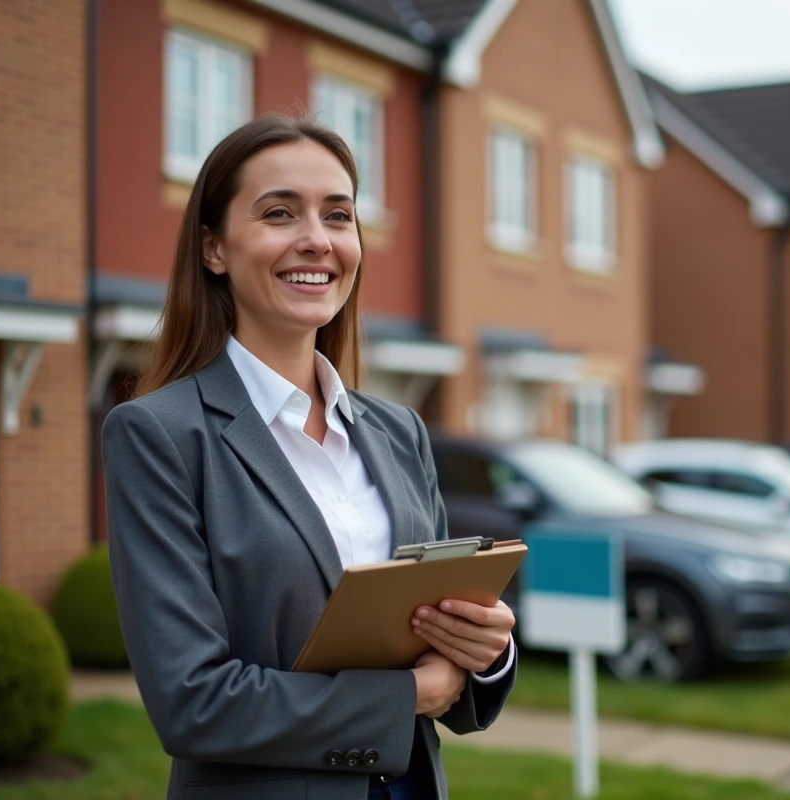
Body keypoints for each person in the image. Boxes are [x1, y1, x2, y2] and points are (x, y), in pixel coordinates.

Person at [101, 114, 517, 800]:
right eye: (279, 213)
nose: (317, 241)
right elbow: (191, 699)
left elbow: (442, 645)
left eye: (338, 215)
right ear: (214, 249)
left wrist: (486, 652)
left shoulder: (399, 431)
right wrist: (406, 693)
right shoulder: (158, 435)